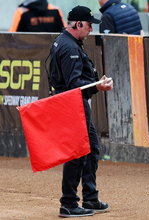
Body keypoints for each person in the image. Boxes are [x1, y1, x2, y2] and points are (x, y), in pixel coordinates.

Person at [48, 5, 113, 218]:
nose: (91, 30)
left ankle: (90, 197)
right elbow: (74, 84)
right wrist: (98, 86)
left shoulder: (67, 42)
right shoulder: (70, 48)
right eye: (88, 25)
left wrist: (95, 83)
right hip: (71, 106)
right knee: (77, 154)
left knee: (91, 149)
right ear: (78, 24)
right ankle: (68, 203)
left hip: (72, 105)